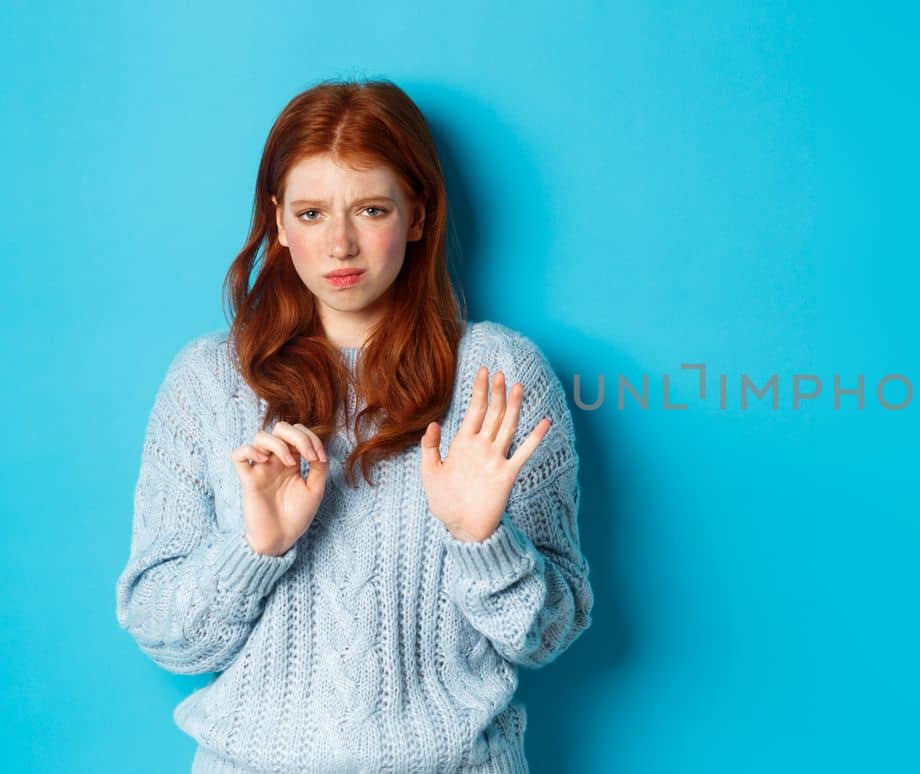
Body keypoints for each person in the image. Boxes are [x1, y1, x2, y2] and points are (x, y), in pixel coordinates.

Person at [113, 77, 594, 773]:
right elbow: (166, 635)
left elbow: (547, 635)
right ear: (278, 223)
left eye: (371, 209)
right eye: (311, 214)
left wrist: (480, 539)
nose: (339, 244)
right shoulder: (209, 382)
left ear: (419, 214)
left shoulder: (498, 373)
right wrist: (254, 548)